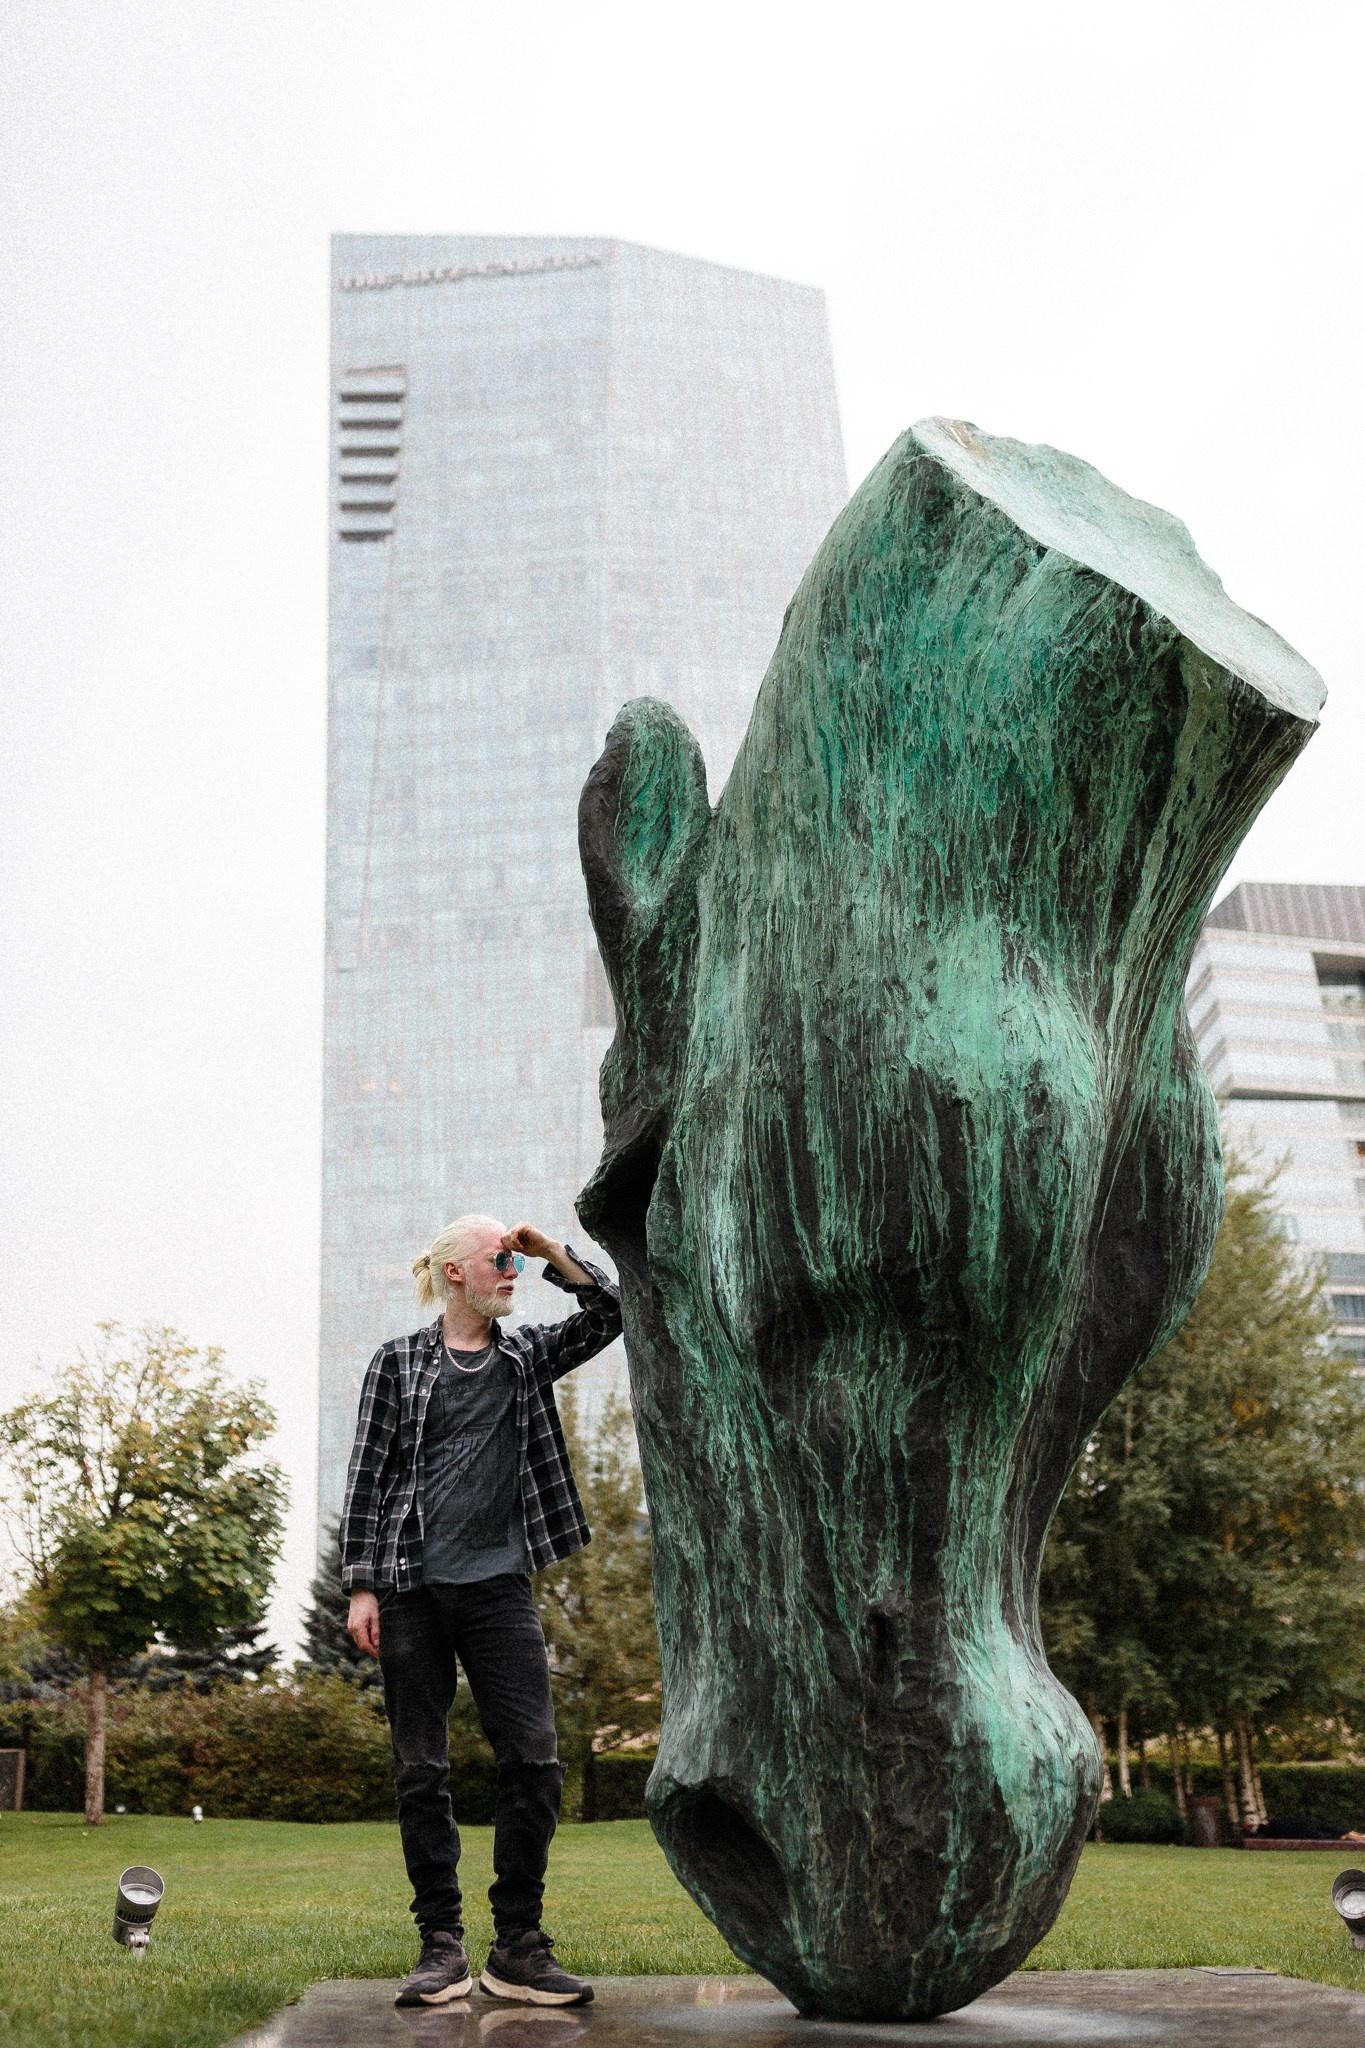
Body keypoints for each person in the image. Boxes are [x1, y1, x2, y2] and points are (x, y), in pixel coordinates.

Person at [340, 1212, 622, 2009]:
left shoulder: (525, 1356)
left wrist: (551, 1252)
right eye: (500, 1259)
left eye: (515, 1259)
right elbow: (368, 1477)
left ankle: (518, 1947)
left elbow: (611, 1312)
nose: (512, 1271)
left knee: (534, 1762)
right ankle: (440, 1946)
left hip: (500, 1588)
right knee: (420, 1770)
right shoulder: (397, 1364)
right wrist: (363, 1585)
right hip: (410, 1587)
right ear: (455, 1271)